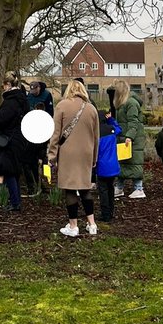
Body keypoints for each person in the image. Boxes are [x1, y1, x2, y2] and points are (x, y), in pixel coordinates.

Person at [48, 79, 100, 236]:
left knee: (70, 188)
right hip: (86, 152)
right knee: (85, 187)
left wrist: (52, 155)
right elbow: (96, 137)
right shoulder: (91, 109)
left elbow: (55, 134)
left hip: (68, 153)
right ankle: (92, 224)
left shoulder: (62, 106)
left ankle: (73, 226)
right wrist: (94, 158)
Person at [0, 71, 28, 212]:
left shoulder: (11, 101)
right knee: (14, 171)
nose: (2, 88)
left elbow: (2, 120)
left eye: (3, 85)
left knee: (9, 171)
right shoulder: (22, 99)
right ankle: (16, 201)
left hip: (9, 140)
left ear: (8, 84)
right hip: (19, 138)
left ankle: (15, 203)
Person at [113, 80, 146, 198]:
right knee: (123, 162)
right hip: (124, 137)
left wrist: (129, 137)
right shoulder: (123, 104)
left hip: (132, 139)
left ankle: (138, 188)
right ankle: (119, 187)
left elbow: (133, 122)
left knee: (134, 162)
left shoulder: (131, 103)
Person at [95, 109, 122, 222]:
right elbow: (119, 130)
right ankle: (111, 211)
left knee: (103, 191)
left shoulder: (96, 133)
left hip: (101, 167)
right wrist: (111, 119)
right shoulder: (111, 130)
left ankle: (105, 214)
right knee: (110, 188)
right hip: (113, 166)